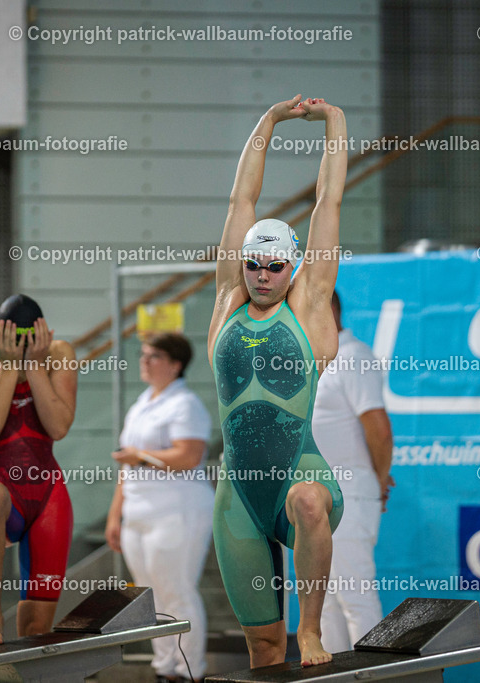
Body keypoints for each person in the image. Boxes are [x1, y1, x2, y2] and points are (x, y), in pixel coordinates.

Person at [207, 95, 347, 668]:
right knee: (262, 646)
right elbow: (242, 197)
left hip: (297, 471)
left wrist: (333, 121)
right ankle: (281, 646)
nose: (262, 276)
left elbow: (328, 200)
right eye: (253, 264)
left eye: (275, 266)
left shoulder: (309, 307)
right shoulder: (225, 301)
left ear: (294, 268)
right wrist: (267, 120)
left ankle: (310, 631)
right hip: (238, 490)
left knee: (309, 503)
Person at [0, 293, 77, 647]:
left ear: (42, 336)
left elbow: (58, 428)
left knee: (37, 631)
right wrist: (8, 367)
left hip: (46, 493)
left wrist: (34, 366)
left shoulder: (58, 354)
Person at [105, 332, 214, 683]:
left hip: (177, 511)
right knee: (150, 597)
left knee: (177, 591)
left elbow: (189, 455)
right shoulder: (141, 403)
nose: (145, 360)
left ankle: (189, 670)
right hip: (138, 512)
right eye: (144, 354)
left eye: (154, 356)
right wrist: (115, 514)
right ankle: (164, 668)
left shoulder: (185, 404)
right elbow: (127, 466)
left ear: (175, 364)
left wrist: (142, 456)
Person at [312, 291, 394, 653]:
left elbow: (378, 426)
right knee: (323, 606)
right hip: (314, 500)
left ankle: (376, 678)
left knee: (354, 597)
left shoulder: (353, 358)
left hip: (346, 495)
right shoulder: (313, 362)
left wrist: (377, 480)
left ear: (328, 310)